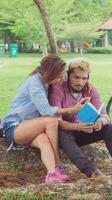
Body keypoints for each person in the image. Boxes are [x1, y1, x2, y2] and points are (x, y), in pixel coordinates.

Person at [0, 54, 88, 184]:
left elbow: (71, 81)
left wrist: (87, 84)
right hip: (14, 126)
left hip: (30, 128)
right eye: (58, 76)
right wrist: (72, 110)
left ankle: (51, 174)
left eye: (62, 75)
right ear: (49, 73)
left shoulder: (46, 81)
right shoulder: (34, 82)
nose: (60, 79)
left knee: (44, 140)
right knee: (51, 121)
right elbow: (45, 110)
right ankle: (58, 165)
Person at [48, 57, 112, 180]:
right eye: (76, 77)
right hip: (63, 133)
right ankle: (92, 171)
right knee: (63, 134)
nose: (80, 82)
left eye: (84, 78)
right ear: (68, 75)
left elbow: (105, 115)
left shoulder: (90, 89)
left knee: (108, 128)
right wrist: (78, 126)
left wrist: (100, 121)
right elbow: (56, 120)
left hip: (83, 130)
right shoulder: (58, 89)